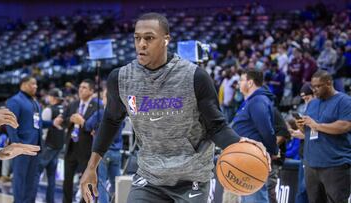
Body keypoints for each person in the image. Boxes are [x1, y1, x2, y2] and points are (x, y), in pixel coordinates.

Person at [80, 13, 269, 203]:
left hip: (191, 178)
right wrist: (91, 167)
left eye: (149, 38)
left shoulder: (195, 77)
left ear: (166, 39)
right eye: (137, 38)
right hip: (149, 176)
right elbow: (111, 121)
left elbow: (216, 127)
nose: (142, 44)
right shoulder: (121, 78)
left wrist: (240, 143)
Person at [296, 70, 351, 203]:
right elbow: (309, 131)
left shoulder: (345, 101)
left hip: (335, 165)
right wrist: (302, 126)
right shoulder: (313, 103)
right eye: (313, 87)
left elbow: (345, 126)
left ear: (329, 83)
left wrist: (317, 125)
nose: (314, 90)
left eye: (318, 86)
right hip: (311, 164)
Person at [231, 69, 278, 203]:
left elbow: (266, 130)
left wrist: (273, 150)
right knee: (249, 197)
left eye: (241, 80)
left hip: (253, 157)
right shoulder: (251, 101)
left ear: (250, 83)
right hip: (246, 156)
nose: (239, 83)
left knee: (255, 198)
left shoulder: (258, 101)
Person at [73, 89, 123, 203]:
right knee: (117, 184)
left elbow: (87, 125)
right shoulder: (120, 112)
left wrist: (84, 123)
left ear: (106, 98)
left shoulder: (100, 113)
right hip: (116, 152)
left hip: (102, 153)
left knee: (101, 183)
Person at [54, 79, 99, 203]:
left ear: (91, 91)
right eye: (80, 87)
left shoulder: (97, 106)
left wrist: (82, 122)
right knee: (67, 180)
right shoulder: (73, 104)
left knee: (87, 181)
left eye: (84, 87)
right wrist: (69, 120)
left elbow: (97, 126)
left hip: (87, 149)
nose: (80, 89)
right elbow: (64, 121)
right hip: (71, 146)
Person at [6, 76, 45, 203]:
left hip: (35, 148)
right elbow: (10, 124)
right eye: (33, 84)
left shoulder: (34, 102)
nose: (36, 86)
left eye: (36, 84)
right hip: (21, 148)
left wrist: (53, 123)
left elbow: (39, 123)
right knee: (20, 179)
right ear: (23, 84)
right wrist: (16, 144)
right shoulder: (15, 101)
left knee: (32, 180)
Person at [35, 88, 65, 203]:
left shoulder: (49, 110)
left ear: (53, 98)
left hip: (48, 145)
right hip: (58, 145)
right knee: (51, 176)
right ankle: (50, 201)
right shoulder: (64, 109)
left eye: (49, 96)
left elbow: (41, 127)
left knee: (36, 172)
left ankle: (30, 198)